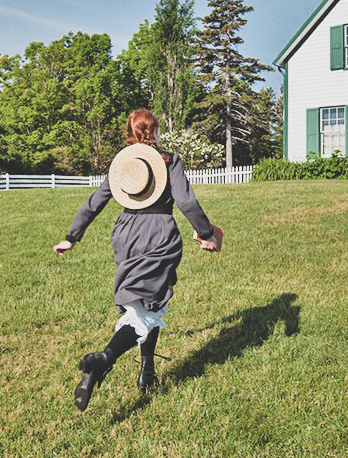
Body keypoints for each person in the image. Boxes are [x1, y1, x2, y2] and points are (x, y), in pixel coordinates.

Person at [53, 108, 222, 411]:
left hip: (126, 234)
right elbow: (185, 200)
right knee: (145, 309)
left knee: (146, 303)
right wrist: (206, 233)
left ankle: (147, 370)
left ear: (129, 133)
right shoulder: (168, 160)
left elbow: (95, 201)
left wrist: (72, 236)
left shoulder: (123, 166)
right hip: (158, 234)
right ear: (154, 131)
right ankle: (103, 360)